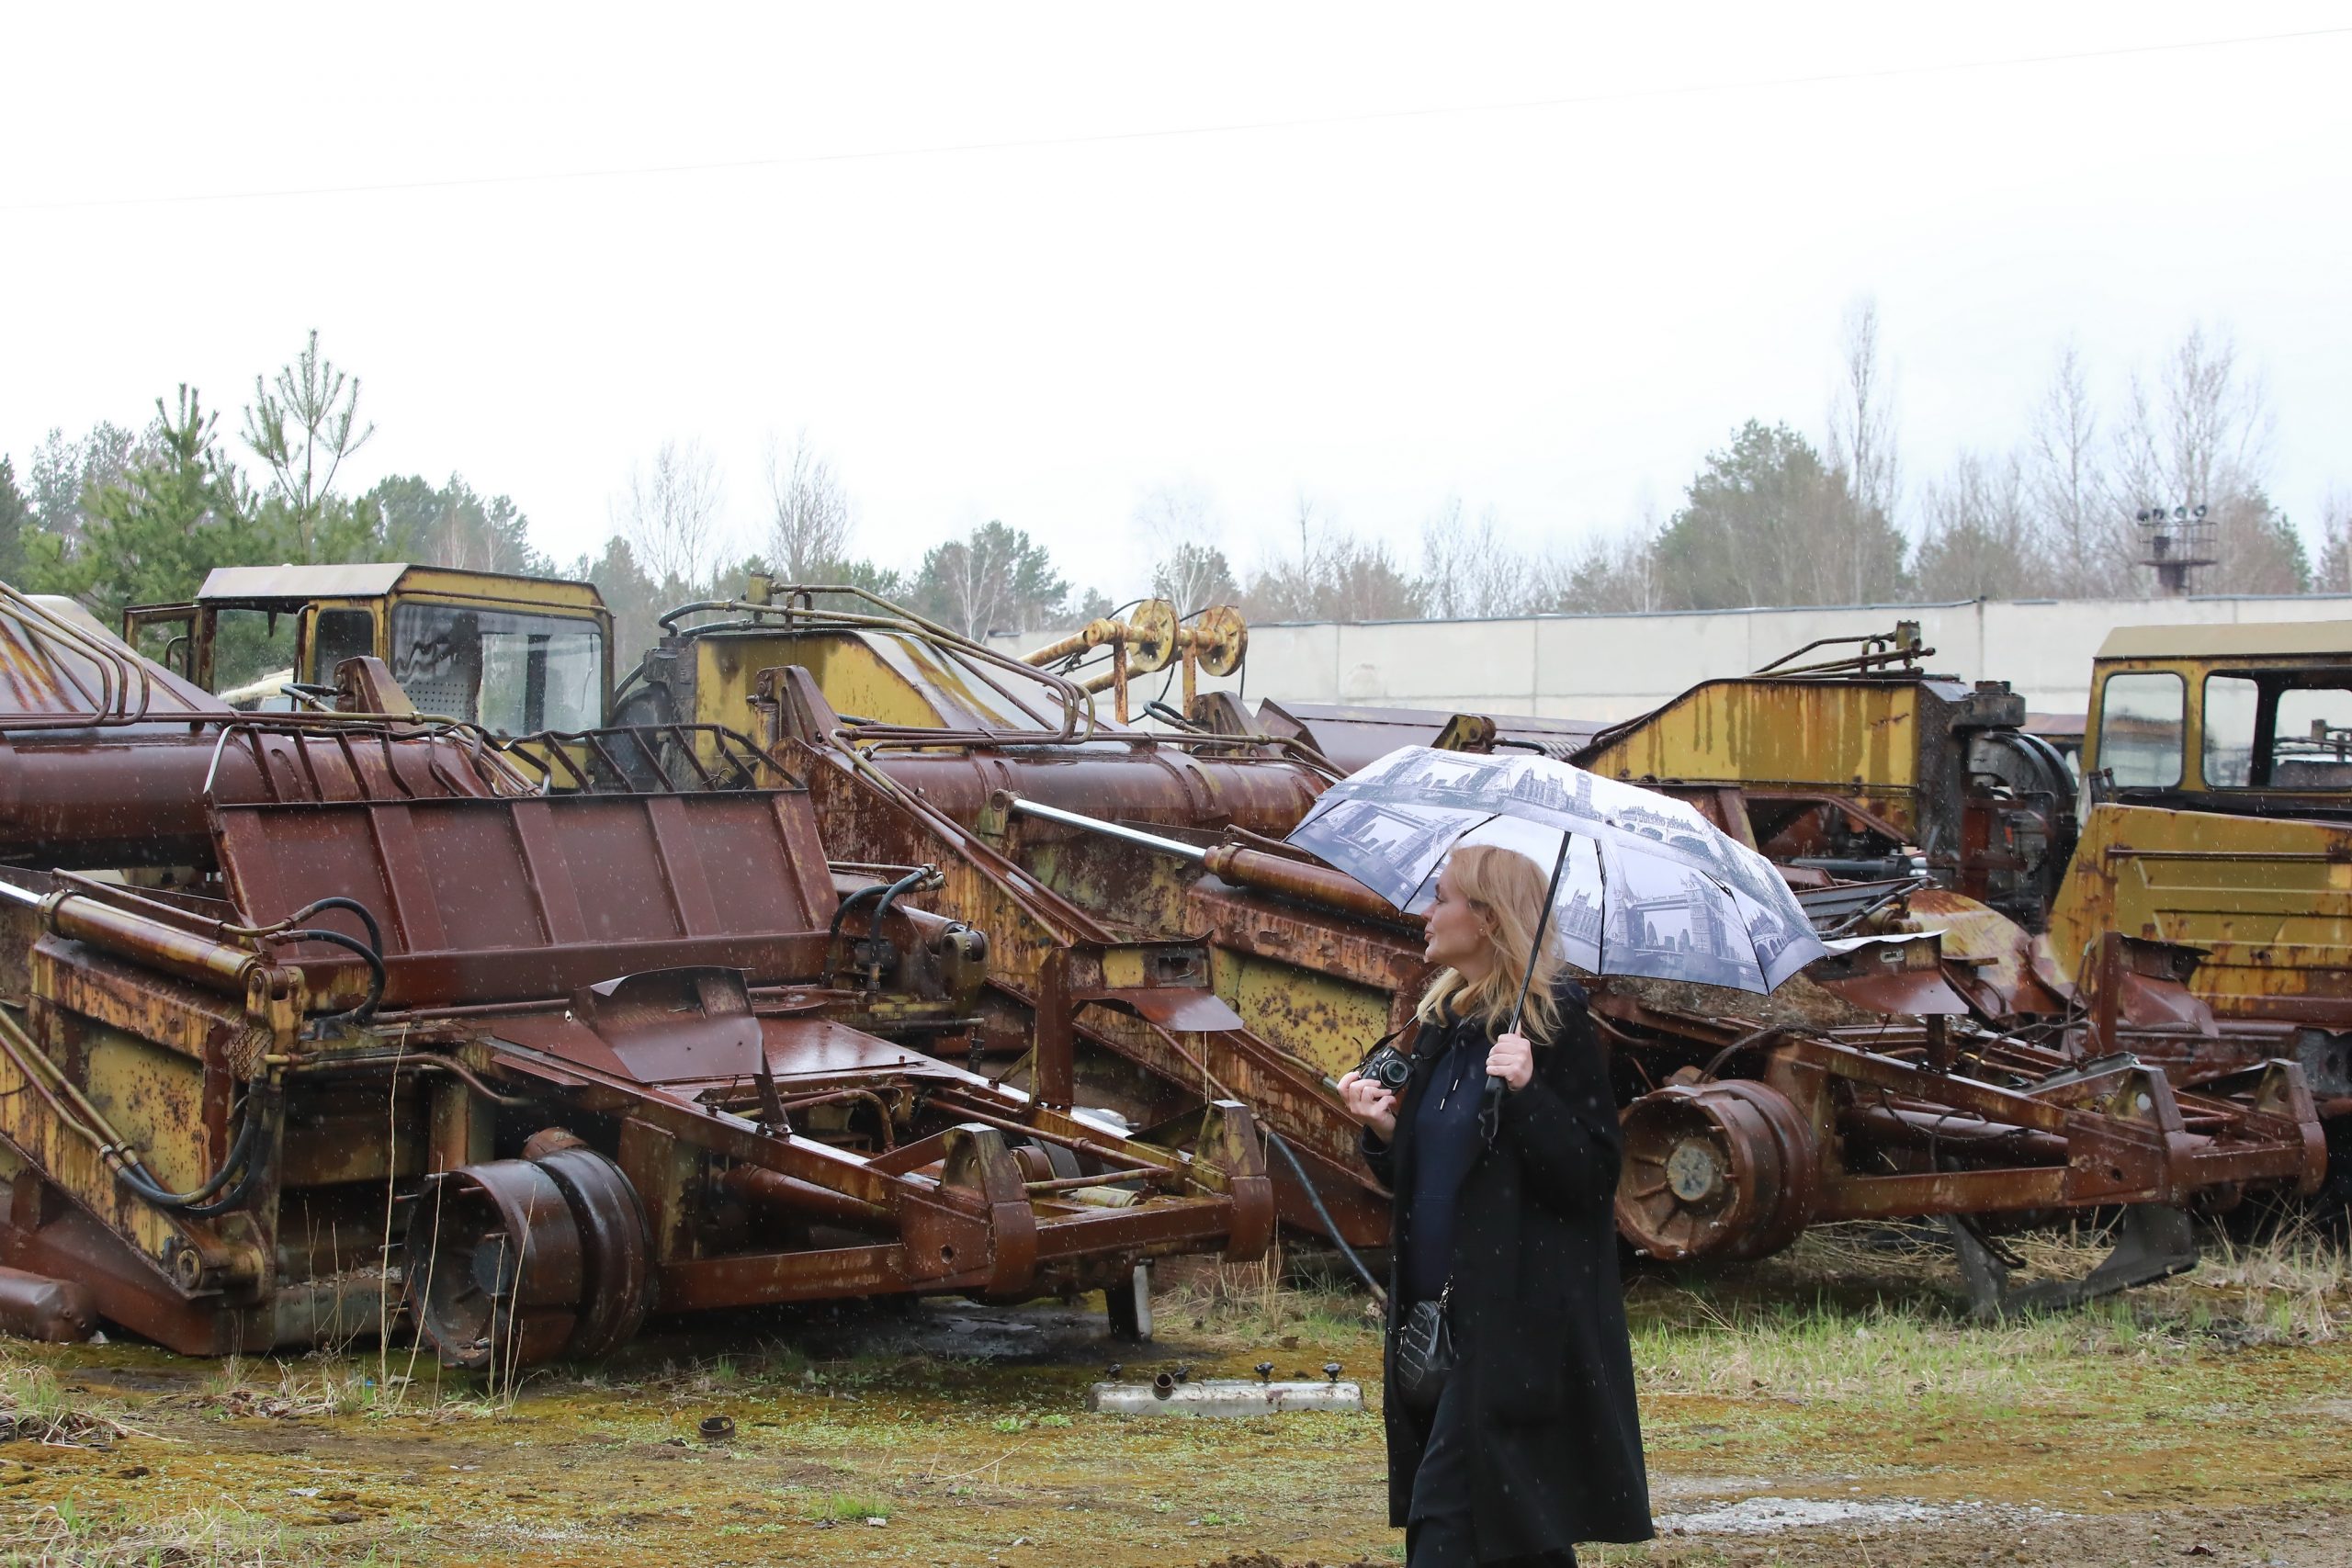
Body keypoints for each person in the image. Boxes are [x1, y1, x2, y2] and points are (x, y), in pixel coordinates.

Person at [1337, 843, 1652, 1566]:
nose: (1425, 911)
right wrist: (1385, 1129)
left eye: (1441, 897)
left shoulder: (1552, 1025)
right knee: (1518, 1534)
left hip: (1513, 1325)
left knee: (1447, 1525)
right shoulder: (1448, 1024)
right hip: (1438, 1315)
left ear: (1484, 917)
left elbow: (1592, 1177)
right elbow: (1442, 1168)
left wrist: (1529, 1092)